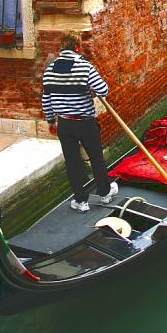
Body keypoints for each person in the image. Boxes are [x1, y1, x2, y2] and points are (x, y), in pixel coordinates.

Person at [42, 32, 118, 213]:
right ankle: (105, 194)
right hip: (85, 123)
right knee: (96, 158)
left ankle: (81, 201)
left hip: (65, 124)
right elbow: (103, 89)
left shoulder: (49, 70)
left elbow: (46, 99)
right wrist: (88, 89)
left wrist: (51, 121)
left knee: (72, 162)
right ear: (77, 48)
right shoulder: (85, 67)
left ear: (61, 48)